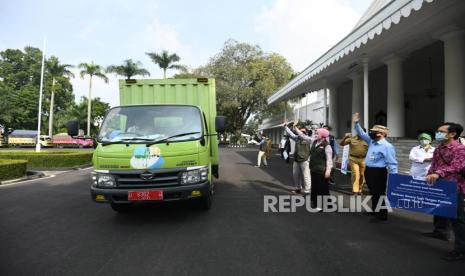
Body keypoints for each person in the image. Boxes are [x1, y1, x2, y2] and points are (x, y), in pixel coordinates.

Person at [425, 122, 465, 261]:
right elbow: (434, 164)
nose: (438, 133)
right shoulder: (438, 148)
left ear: (452, 134)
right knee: (439, 209)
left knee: (457, 219)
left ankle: (461, 250)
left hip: (455, 186)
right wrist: (429, 174)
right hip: (440, 185)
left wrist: (438, 173)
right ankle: (440, 232)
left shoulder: (459, 149)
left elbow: (457, 166)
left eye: (441, 131)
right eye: (438, 131)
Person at [353, 112, 398, 222]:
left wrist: (394, 177)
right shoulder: (372, 141)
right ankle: (375, 210)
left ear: (381, 134)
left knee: (379, 193)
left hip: (379, 172)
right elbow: (362, 134)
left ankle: (382, 215)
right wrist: (356, 123)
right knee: (373, 191)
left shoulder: (387, 146)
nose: (371, 133)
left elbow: (392, 162)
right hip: (369, 170)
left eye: (373, 132)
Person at [284, 120, 312, 194]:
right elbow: (290, 133)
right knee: (296, 175)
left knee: (306, 176)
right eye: (300, 131)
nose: (301, 132)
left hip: (305, 160)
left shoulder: (309, 139)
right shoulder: (297, 138)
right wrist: (285, 126)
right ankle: (298, 189)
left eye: (303, 132)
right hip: (296, 160)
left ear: (306, 133)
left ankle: (307, 190)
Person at [340, 130, 369, 195]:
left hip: (363, 159)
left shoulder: (368, 140)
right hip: (353, 159)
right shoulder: (351, 139)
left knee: (362, 175)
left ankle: (360, 189)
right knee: (356, 174)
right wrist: (345, 137)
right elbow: (341, 144)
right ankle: (355, 190)